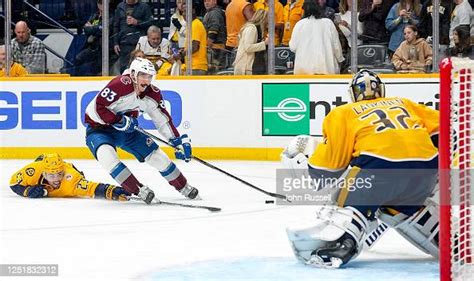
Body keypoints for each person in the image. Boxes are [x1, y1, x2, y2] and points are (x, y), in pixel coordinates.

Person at [283, 69, 439, 268]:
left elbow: (329, 169)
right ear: (381, 90)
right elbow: (444, 129)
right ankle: (446, 237)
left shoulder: (343, 112)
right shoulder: (405, 103)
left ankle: (344, 242)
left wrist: (303, 162)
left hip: (379, 167)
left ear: (353, 94)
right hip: (427, 169)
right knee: (402, 206)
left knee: (349, 189)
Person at [84, 57, 199, 204]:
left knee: (158, 157)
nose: (146, 80)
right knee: (107, 157)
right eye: (143, 75)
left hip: (127, 131)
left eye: (149, 76)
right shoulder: (120, 84)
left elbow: (162, 119)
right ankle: (138, 190)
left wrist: (176, 141)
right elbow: (96, 108)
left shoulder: (153, 94)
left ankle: (184, 187)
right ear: (133, 74)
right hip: (98, 130)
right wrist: (119, 120)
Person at [9, 153, 130, 201]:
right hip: (40, 161)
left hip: (71, 170)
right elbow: (13, 183)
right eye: (51, 175)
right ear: (44, 173)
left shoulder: (71, 179)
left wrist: (112, 191)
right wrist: (26, 191)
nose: (56, 179)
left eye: (59, 174)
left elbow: (92, 187)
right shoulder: (33, 171)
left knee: (79, 179)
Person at [289, 0, 344, 74]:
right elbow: (336, 46)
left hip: (304, 71)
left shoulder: (299, 24)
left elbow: (293, 47)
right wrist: (340, 59)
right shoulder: (328, 23)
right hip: (326, 69)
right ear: (319, 8)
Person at [113, 0, 153, 73]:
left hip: (139, 43)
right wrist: (116, 42)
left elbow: (150, 23)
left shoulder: (144, 6)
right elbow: (116, 25)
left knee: (141, 68)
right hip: (124, 43)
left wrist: (137, 22)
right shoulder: (120, 6)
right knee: (124, 69)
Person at [233, 9, 269, 75]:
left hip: (250, 66)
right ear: (263, 18)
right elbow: (248, 47)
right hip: (246, 67)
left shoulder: (258, 29)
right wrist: (265, 43)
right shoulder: (252, 28)